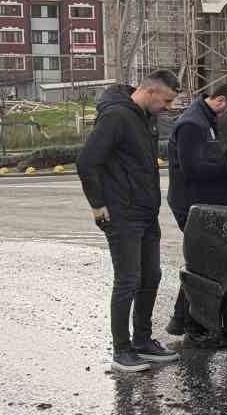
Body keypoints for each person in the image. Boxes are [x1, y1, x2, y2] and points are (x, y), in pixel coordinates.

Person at [77, 69, 182, 374]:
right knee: (128, 281)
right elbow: (86, 162)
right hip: (122, 214)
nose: (169, 108)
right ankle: (122, 350)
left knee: (152, 276)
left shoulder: (144, 118)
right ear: (149, 92)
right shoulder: (117, 117)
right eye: (166, 101)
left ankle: (143, 341)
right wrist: (98, 205)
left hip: (146, 212)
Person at [165, 79, 227, 338]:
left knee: (205, 260)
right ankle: (191, 325)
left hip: (208, 202)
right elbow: (192, 169)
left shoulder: (210, 120)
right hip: (192, 205)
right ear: (222, 101)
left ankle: (183, 321)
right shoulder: (192, 124)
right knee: (203, 261)